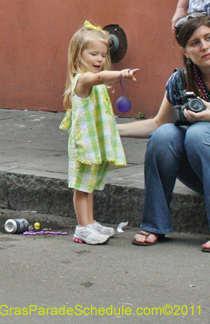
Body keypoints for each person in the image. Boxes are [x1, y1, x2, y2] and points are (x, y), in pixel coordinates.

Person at [118, 13, 210, 250]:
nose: (205, 46)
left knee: (198, 133)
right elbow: (158, 123)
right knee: (164, 135)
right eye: (195, 43)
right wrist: (111, 130)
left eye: (209, 38)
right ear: (185, 52)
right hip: (201, 170)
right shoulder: (181, 81)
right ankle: (154, 224)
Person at [60, 21, 137, 244]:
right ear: (78, 55)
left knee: (89, 186)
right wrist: (121, 73)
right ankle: (82, 227)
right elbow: (99, 77)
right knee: (81, 187)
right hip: (83, 144)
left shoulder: (96, 83)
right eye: (94, 54)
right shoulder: (83, 80)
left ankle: (90, 222)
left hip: (93, 143)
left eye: (103, 55)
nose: (100, 60)